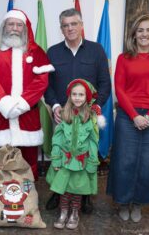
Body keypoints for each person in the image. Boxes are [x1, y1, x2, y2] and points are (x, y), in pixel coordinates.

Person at [106, 14, 149, 223]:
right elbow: (119, 89)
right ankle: (123, 203)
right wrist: (135, 115)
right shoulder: (123, 58)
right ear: (134, 34)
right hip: (128, 116)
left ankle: (138, 204)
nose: (145, 34)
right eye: (141, 30)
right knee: (125, 160)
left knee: (148, 162)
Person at [44, 8, 111, 212]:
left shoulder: (96, 50)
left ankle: (84, 196)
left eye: (74, 24)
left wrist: (95, 107)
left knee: (85, 154)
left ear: (81, 25)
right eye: (66, 25)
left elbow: (104, 83)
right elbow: (47, 85)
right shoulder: (53, 52)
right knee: (62, 155)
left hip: (86, 116)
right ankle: (58, 192)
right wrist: (55, 105)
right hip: (62, 116)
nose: (70, 28)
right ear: (61, 29)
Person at [0, 9, 54, 180]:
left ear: (24, 28)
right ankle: (0, 200)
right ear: (4, 26)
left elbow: (41, 81)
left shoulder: (36, 51)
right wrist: (5, 103)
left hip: (28, 116)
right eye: (10, 24)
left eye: (19, 25)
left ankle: (27, 202)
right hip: (0, 116)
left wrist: (22, 104)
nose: (14, 28)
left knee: (28, 163)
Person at [46, 79, 103, 230]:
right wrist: (56, 159)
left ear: (87, 97)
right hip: (65, 161)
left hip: (81, 162)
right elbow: (57, 139)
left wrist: (92, 161)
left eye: (81, 95)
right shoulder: (65, 114)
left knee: (77, 189)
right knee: (64, 189)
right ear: (70, 96)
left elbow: (92, 141)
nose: (77, 97)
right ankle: (63, 212)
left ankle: (74, 213)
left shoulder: (90, 117)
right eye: (74, 94)